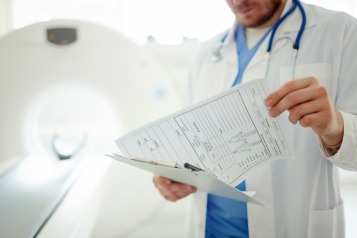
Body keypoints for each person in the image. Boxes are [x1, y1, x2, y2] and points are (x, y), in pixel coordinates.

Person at [153, 0, 357, 237]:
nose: (238, 1)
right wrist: (174, 175)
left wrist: (335, 127)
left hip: (294, 225)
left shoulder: (340, 31)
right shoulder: (208, 52)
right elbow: (191, 141)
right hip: (212, 228)